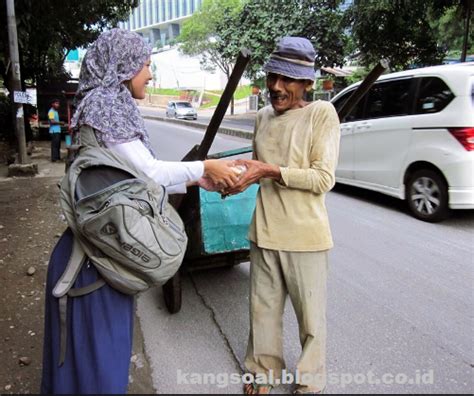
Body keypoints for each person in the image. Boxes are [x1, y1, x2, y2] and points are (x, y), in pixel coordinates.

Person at [41, 28, 238, 394]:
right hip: (93, 263)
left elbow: (132, 179)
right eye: (146, 64)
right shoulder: (106, 104)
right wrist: (204, 168)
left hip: (98, 252)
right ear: (124, 65)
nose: (150, 73)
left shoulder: (102, 103)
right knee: (97, 370)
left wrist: (198, 180)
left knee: (87, 364)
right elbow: (148, 173)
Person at [225, 37, 341, 394]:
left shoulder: (321, 114)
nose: (276, 86)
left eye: (288, 80)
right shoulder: (262, 117)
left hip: (305, 237)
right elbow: (257, 169)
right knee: (262, 312)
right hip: (264, 231)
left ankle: (309, 379)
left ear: (306, 83)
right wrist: (237, 179)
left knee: (311, 321)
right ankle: (262, 371)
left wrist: (270, 171)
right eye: (273, 76)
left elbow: (323, 178)